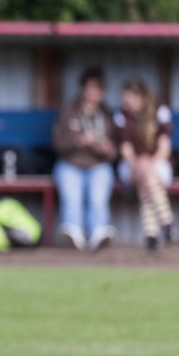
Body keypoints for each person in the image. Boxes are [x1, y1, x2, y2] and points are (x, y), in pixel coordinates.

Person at [51, 66, 117, 251]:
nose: (92, 93)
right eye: (89, 88)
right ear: (82, 89)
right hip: (70, 163)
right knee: (72, 198)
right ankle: (73, 233)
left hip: (98, 164)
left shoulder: (107, 114)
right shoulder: (68, 111)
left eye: (97, 89)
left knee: (98, 198)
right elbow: (57, 145)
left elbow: (115, 153)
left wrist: (104, 147)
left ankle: (98, 234)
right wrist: (78, 141)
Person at [113, 77, 175, 251]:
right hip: (130, 167)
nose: (126, 103)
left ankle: (151, 235)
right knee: (145, 173)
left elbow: (164, 147)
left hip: (158, 165)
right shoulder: (122, 116)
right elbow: (125, 150)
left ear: (140, 97)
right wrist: (139, 164)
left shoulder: (159, 112)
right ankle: (167, 222)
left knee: (146, 179)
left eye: (129, 99)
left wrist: (149, 164)